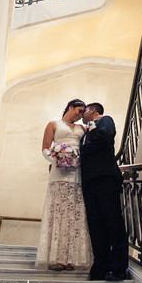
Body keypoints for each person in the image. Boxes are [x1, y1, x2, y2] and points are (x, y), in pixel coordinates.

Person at [35, 99, 93, 271]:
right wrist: (57, 159)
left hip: (78, 173)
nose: (80, 115)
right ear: (70, 107)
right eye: (79, 110)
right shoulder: (54, 124)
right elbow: (45, 148)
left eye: (83, 112)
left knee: (74, 215)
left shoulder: (83, 129)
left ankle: (72, 258)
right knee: (59, 213)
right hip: (59, 173)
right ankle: (56, 258)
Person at [80, 103, 129, 281]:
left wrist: (79, 151)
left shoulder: (105, 121)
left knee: (113, 222)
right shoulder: (84, 134)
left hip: (106, 178)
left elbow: (104, 138)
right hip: (89, 181)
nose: (81, 114)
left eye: (84, 110)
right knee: (96, 226)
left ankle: (118, 267)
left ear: (93, 110)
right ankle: (100, 266)